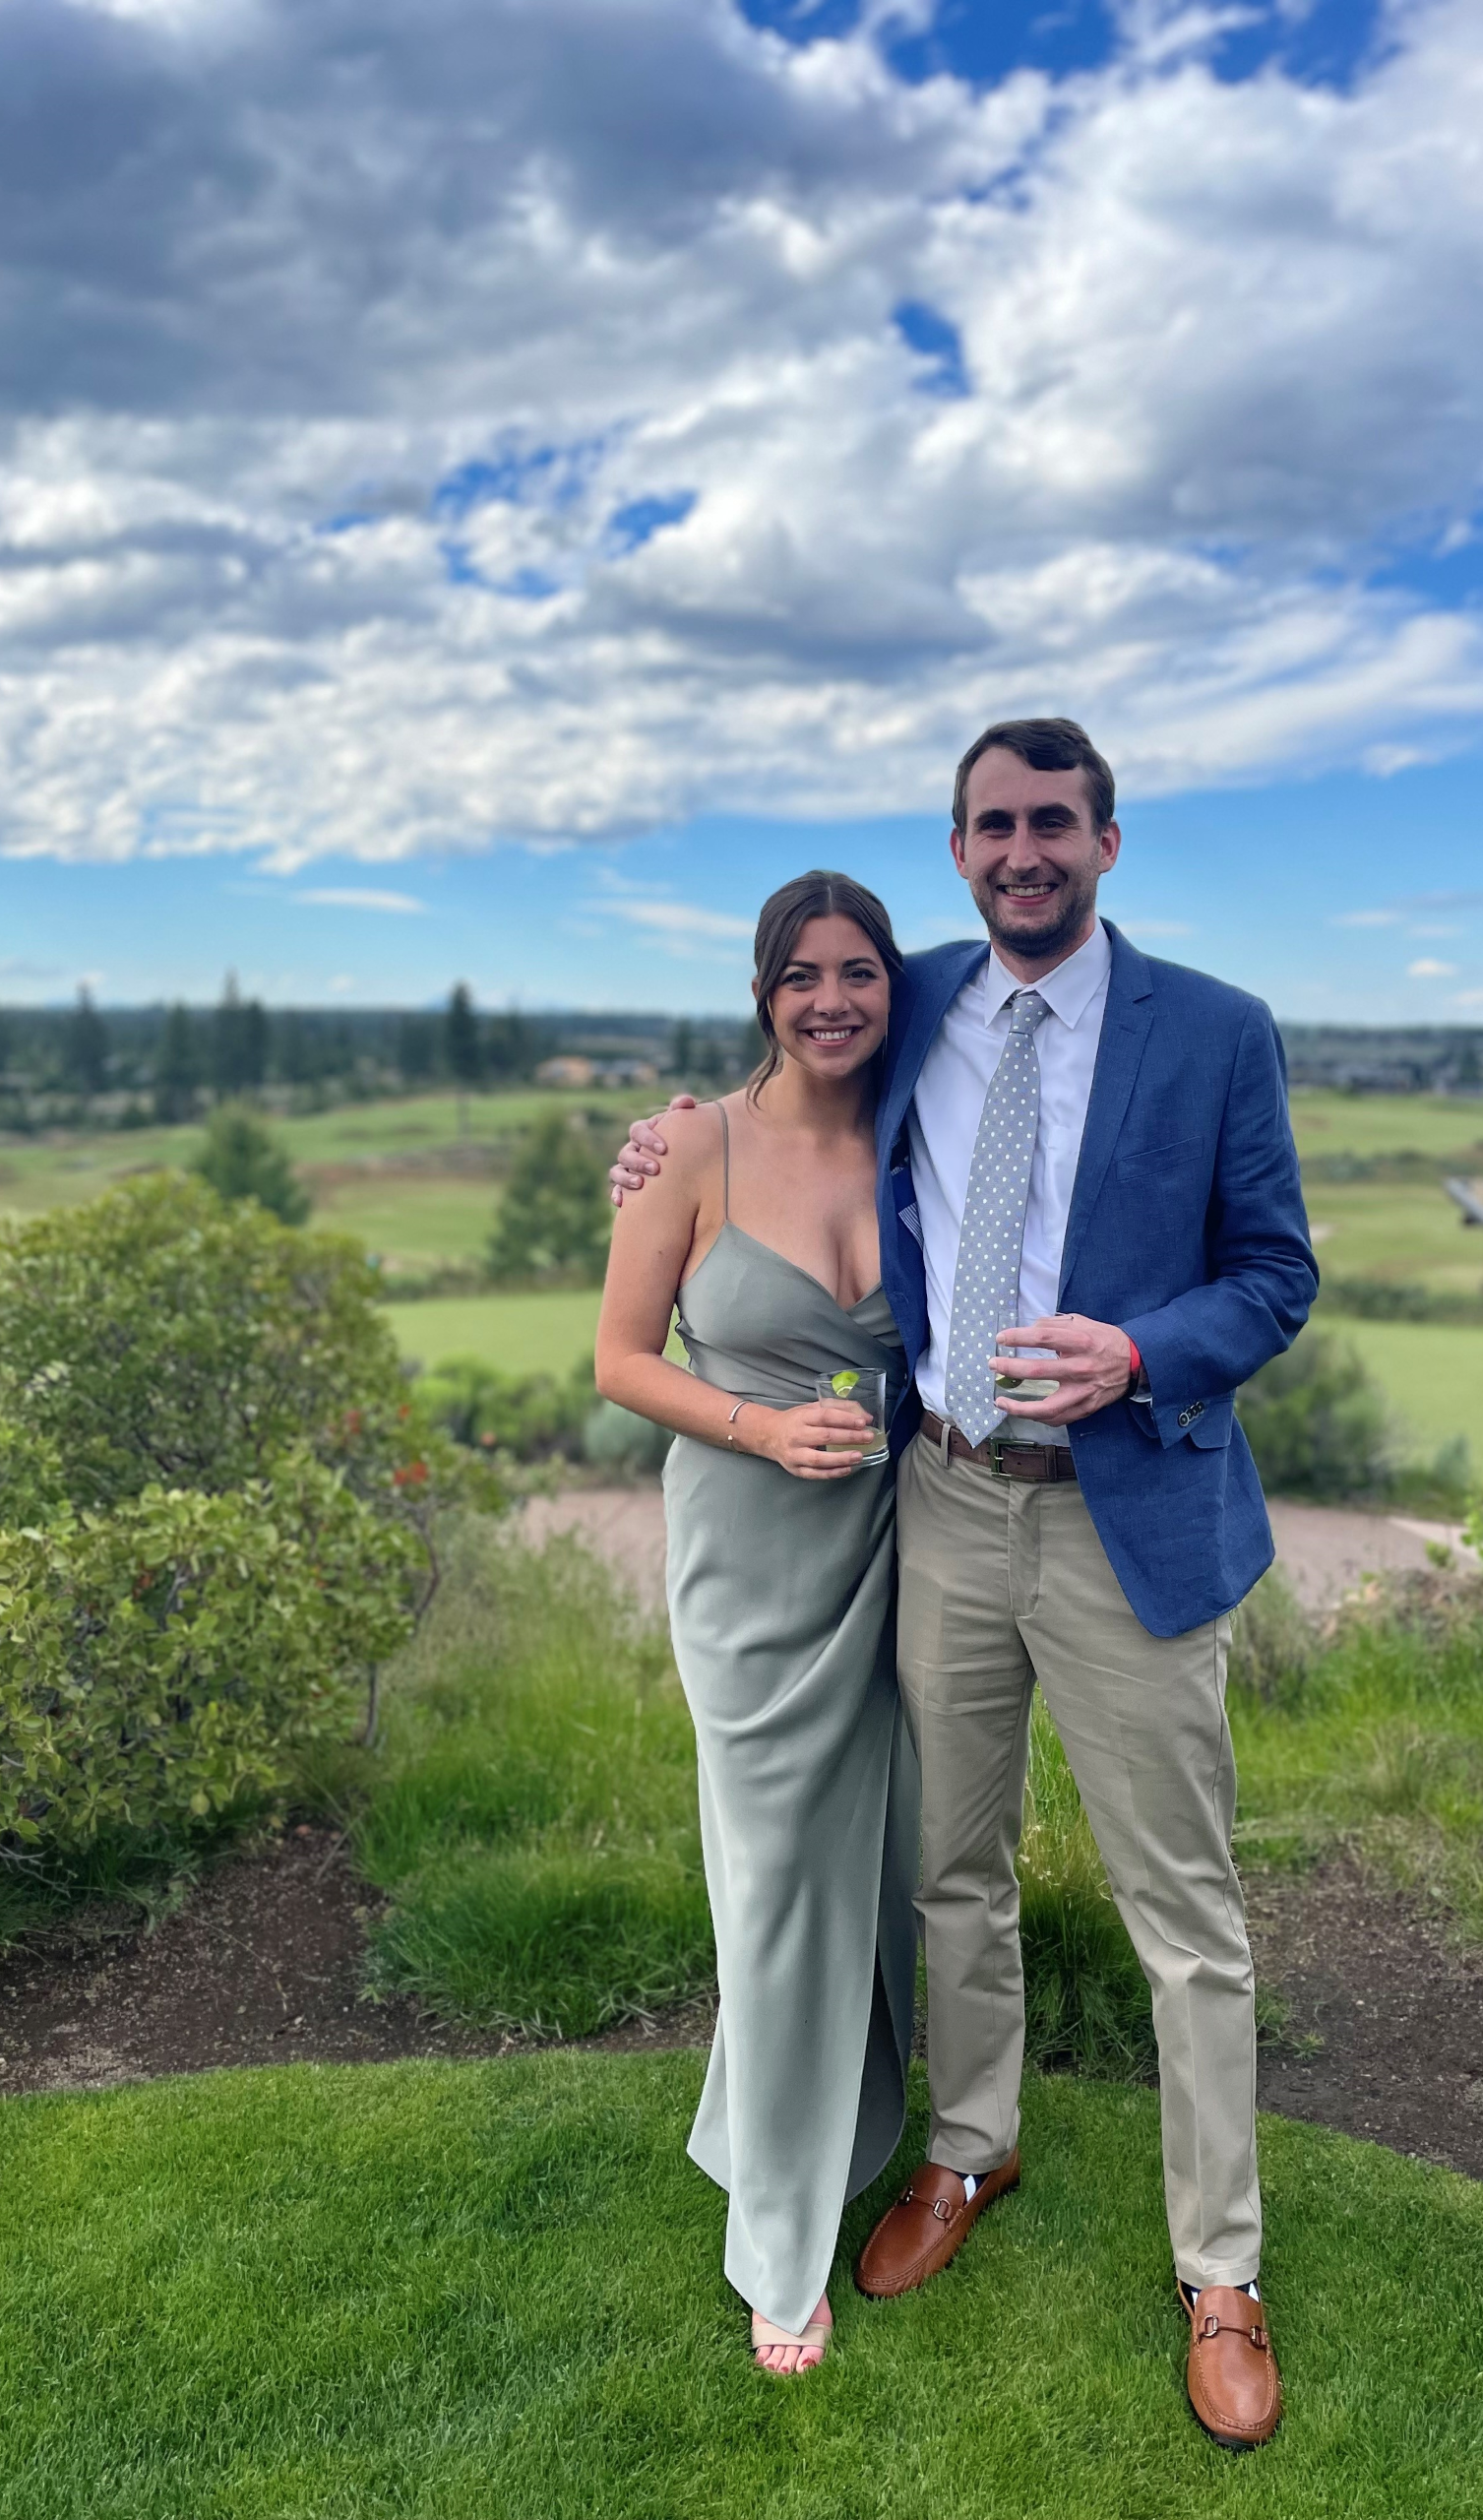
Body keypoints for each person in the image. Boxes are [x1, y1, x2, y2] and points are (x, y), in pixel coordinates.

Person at [614, 719, 1317, 2450]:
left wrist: (1143, 1348)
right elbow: (789, 1062)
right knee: (952, 1871)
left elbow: (1276, 1275)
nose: (1025, 850)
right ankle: (965, 2151)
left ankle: (1219, 2269)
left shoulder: (1217, 1031)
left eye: (1054, 824)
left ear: (1107, 841)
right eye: (994, 824)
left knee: (1187, 1916)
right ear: (957, 848)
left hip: (1122, 1514)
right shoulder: (913, 992)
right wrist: (662, 1142)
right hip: (938, 1500)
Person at [593, 871, 919, 2376]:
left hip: (903, 1557)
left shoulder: (926, 1135)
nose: (833, 998)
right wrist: (755, 1424)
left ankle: (814, 2122)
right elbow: (617, 1360)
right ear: (763, 991)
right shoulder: (690, 1146)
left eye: (858, 971)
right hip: (751, 1561)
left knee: (878, 1871)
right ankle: (780, 2246)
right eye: (803, 975)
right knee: (778, 1880)